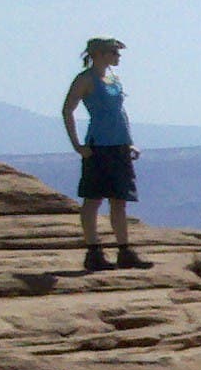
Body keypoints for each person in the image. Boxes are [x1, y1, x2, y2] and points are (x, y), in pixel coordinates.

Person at [61, 37, 146, 271]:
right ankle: (93, 251)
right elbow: (67, 110)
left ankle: (124, 250)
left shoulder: (113, 78)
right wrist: (77, 145)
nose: (118, 57)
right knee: (93, 199)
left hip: (119, 146)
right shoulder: (85, 79)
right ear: (99, 54)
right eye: (114, 52)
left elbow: (119, 113)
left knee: (119, 200)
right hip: (98, 146)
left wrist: (129, 143)